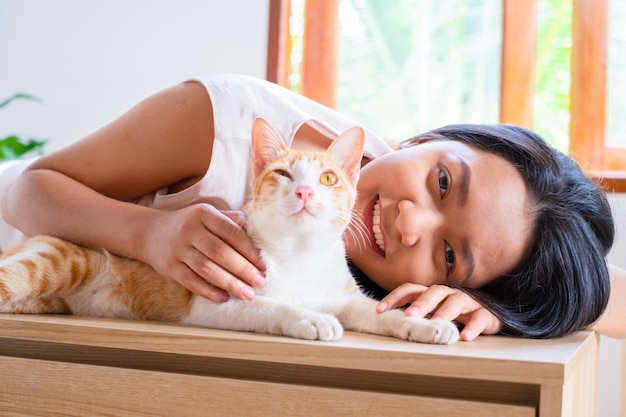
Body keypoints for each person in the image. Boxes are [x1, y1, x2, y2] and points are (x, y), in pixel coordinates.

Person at [0, 74, 624, 341]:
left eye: (451, 253)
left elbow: (605, 293)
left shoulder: (363, 279)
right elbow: (27, 188)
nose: (409, 223)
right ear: (425, 138)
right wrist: (150, 234)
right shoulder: (232, 123)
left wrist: (496, 307)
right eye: (440, 183)